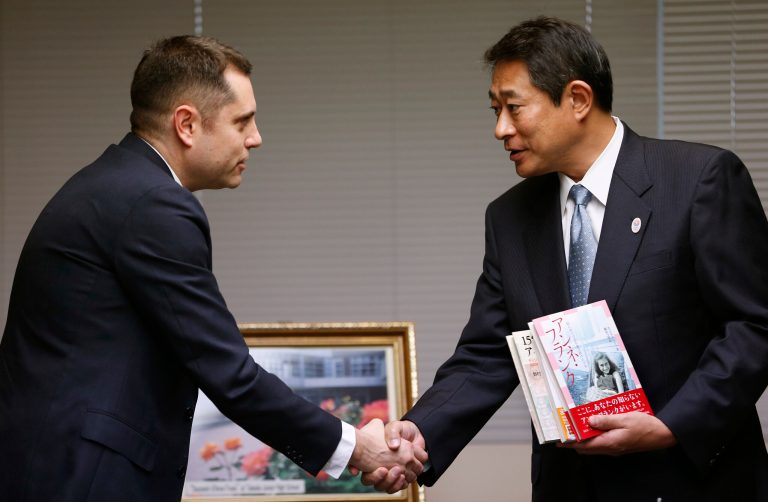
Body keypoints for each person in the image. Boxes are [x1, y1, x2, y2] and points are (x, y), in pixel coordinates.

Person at [0, 35, 425, 502]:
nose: (256, 137)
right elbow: (229, 374)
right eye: (242, 121)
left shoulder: (117, 184)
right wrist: (357, 449)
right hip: (82, 480)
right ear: (187, 124)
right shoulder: (153, 204)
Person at [363, 16, 768, 502]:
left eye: (513, 108)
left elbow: (754, 325)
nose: (500, 129)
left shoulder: (697, 179)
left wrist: (669, 426)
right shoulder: (510, 218)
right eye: (495, 110)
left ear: (577, 99)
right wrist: (418, 435)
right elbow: (488, 354)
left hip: (691, 483)